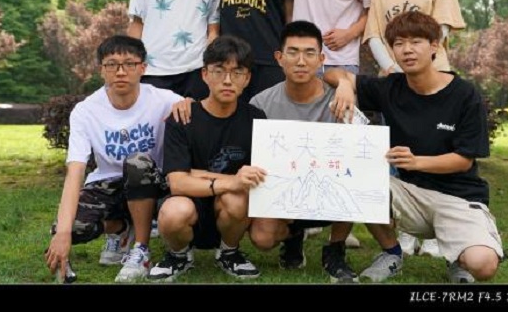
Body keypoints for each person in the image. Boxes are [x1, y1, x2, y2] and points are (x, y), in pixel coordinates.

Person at [324, 11, 503, 283]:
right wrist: (345, 85)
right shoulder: (391, 88)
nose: (407, 50)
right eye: (399, 43)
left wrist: (417, 161)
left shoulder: (464, 95)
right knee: (358, 179)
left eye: (416, 41)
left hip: (458, 198)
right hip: (409, 195)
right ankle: (392, 254)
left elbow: (464, 160)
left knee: (483, 265)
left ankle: (459, 256)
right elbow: (333, 73)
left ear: (435, 46)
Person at [248, 20, 401, 283]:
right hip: (285, 192)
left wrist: (345, 84)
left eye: (309, 53)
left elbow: (361, 157)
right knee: (262, 238)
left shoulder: (342, 99)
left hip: (332, 191)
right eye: (293, 52)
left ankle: (335, 249)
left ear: (321, 60)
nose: (301, 61)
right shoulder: (260, 104)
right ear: (279, 58)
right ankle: (293, 236)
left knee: (358, 172)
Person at [363, 0, 466, 256]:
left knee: (435, 150)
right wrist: (394, 69)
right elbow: (375, 36)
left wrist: (421, 61)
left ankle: (436, 232)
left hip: (435, 77)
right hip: (396, 82)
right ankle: (408, 229)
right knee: (399, 153)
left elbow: (442, 28)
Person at [44, 35, 183, 283]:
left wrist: (189, 103)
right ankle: (121, 230)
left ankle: (141, 250)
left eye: (129, 64)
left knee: (137, 161)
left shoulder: (165, 100)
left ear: (143, 68)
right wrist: (63, 233)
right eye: (111, 64)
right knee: (71, 227)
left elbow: (199, 111)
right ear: (101, 70)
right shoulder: (86, 111)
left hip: (153, 186)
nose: (120, 71)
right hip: (109, 186)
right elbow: (75, 173)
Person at [291, 0, 376, 248]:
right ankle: (303, 219)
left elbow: (371, 10)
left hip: (343, 61)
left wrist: (349, 32)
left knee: (342, 142)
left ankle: (342, 225)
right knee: (303, 140)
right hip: (302, 58)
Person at [147, 35, 267, 281]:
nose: (227, 80)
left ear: (247, 78)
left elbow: (258, 177)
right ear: (204, 74)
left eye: (237, 72)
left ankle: (229, 252)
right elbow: (177, 183)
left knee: (239, 199)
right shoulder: (182, 117)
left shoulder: (256, 118)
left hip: (230, 208)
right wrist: (233, 181)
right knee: (173, 212)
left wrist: (198, 174)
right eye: (219, 71)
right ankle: (179, 255)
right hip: (188, 204)